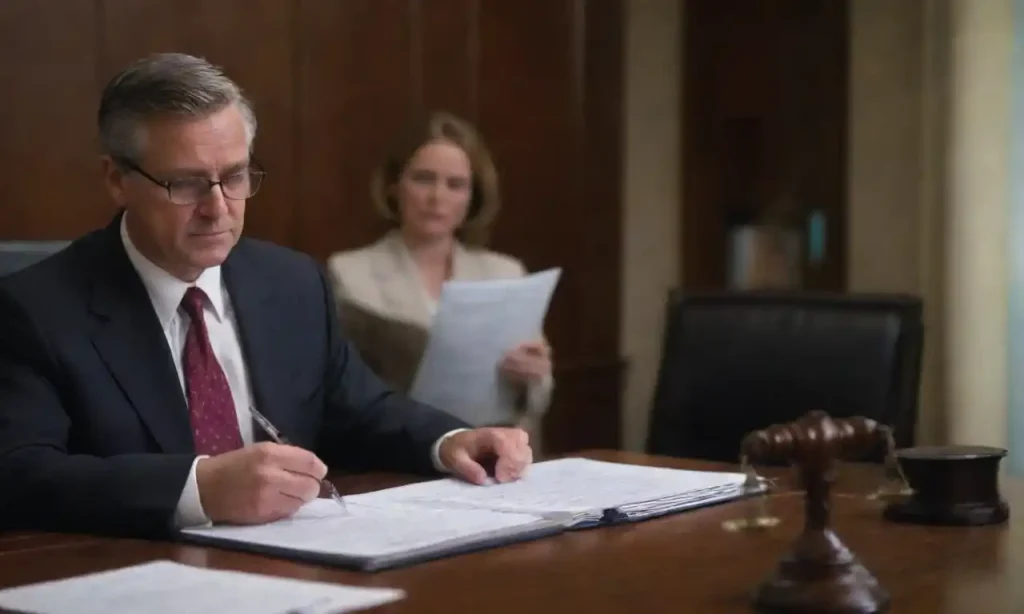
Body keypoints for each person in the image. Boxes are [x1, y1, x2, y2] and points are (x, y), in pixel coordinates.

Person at [0, 53, 532, 538]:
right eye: (185, 185)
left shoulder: (291, 282)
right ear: (116, 179)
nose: (218, 208)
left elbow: (363, 412)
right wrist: (199, 488)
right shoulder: (37, 309)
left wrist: (451, 441)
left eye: (235, 177)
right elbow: (20, 475)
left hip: (297, 565)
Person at [325, 111, 555, 447]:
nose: (437, 198)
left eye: (455, 184)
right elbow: (343, 393)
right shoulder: (349, 273)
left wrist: (533, 375)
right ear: (394, 186)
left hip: (498, 450)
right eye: (423, 179)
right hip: (398, 452)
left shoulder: (505, 273)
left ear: (472, 196)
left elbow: (539, 397)